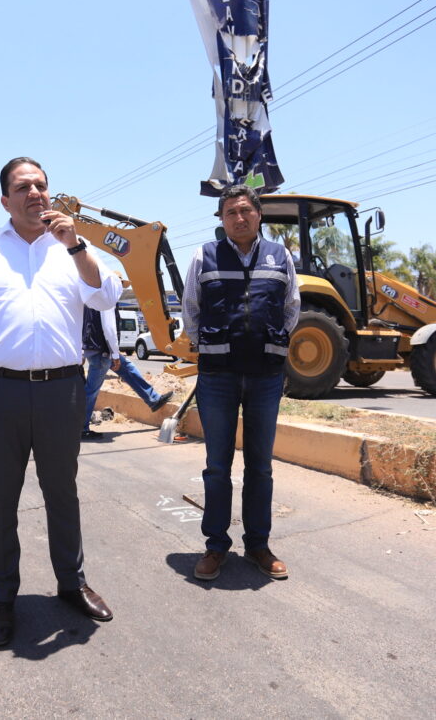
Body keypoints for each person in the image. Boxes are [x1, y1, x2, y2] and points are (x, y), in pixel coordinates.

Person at [0, 156, 122, 647]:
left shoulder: (74, 248)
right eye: (23, 187)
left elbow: (107, 296)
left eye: (41, 185)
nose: (35, 193)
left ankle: (72, 583)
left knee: (63, 492)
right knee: (0, 499)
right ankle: (2, 596)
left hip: (62, 390)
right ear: (5, 200)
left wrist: (76, 245)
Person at [181, 183, 300, 583]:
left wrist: (275, 344)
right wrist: (206, 346)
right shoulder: (205, 255)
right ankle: (216, 546)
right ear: (222, 219)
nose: (239, 217)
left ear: (259, 214)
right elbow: (191, 308)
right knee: (217, 466)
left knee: (260, 467)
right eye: (231, 212)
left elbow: (291, 307)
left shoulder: (280, 255)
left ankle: (258, 545)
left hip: (265, 376)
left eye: (246, 210)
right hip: (217, 376)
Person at [80, 304, 174, 439]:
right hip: (103, 349)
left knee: (128, 368)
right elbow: (109, 328)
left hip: (97, 347)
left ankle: (153, 399)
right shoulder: (106, 296)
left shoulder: (92, 296)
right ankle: (81, 428)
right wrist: (115, 354)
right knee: (91, 390)